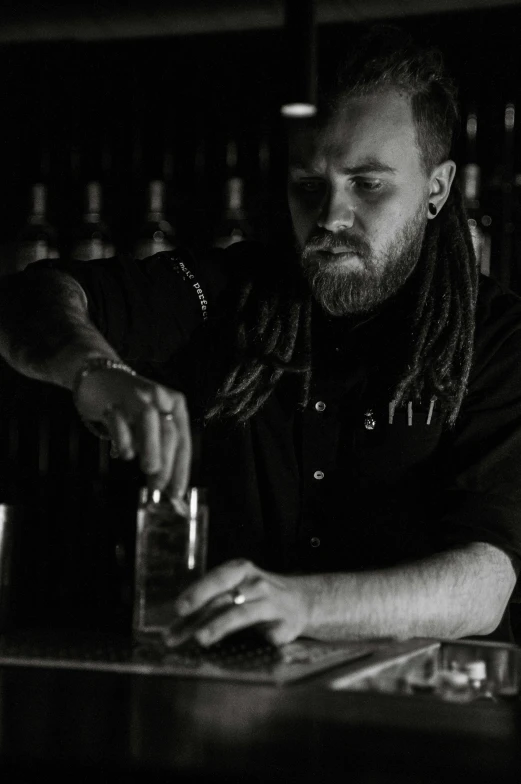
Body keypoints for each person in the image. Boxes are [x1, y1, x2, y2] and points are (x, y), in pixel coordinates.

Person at [0, 27, 520, 646]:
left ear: (436, 188)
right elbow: (31, 299)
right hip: (230, 711)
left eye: (368, 184)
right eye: (309, 186)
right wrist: (96, 373)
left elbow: (483, 586)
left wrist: (303, 606)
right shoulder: (230, 291)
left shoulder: (494, 337)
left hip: (424, 724)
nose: (329, 217)